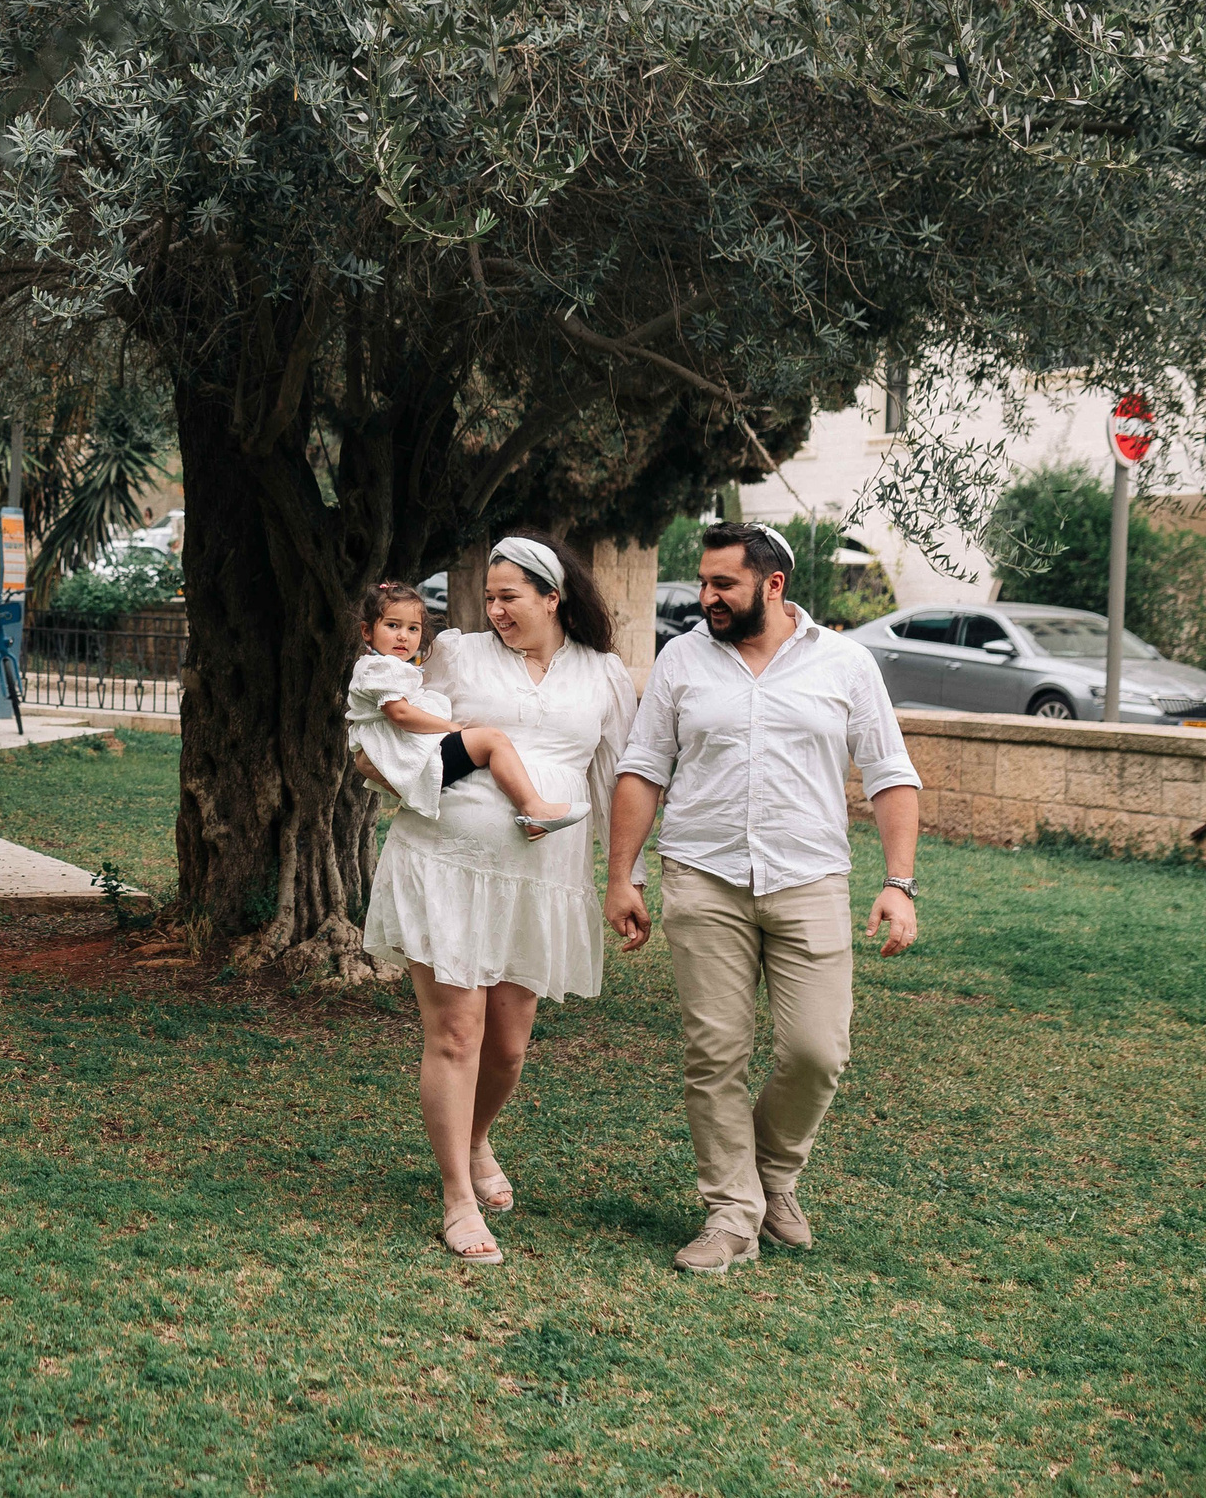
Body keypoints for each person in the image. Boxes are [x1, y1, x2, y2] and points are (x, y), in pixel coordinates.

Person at [606, 521, 922, 1275]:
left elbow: (890, 773)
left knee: (818, 1050)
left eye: (724, 585)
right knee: (714, 1051)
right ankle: (731, 1212)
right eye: (705, 582)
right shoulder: (683, 658)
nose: (706, 597)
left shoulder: (844, 662)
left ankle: (771, 1173)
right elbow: (644, 767)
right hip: (703, 874)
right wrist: (623, 873)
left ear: (773, 586)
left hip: (808, 878)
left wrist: (898, 882)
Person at [361, 535, 637, 1265]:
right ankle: (456, 1194)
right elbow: (395, 735)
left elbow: (614, 783)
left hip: (543, 884)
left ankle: (478, 1135)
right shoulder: (455, 652)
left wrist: (622, 877)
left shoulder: (605, 675)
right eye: (489, 596)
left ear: (554, 595)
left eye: (509, 596)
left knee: (509, 1046)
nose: (495, 609)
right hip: (448, 862)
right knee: (457, 1033)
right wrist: (384, 766)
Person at [348, 582, 592, 838]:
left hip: (402, 753)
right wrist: (450, 727)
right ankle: (534, 808)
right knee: (493, 739)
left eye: (413, 628)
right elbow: (401, 714)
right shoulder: (379, 668)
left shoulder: (386, 667)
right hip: (404, 755)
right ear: (367, 631)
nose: (403, 636)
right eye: (392, 625)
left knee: (485, 741)